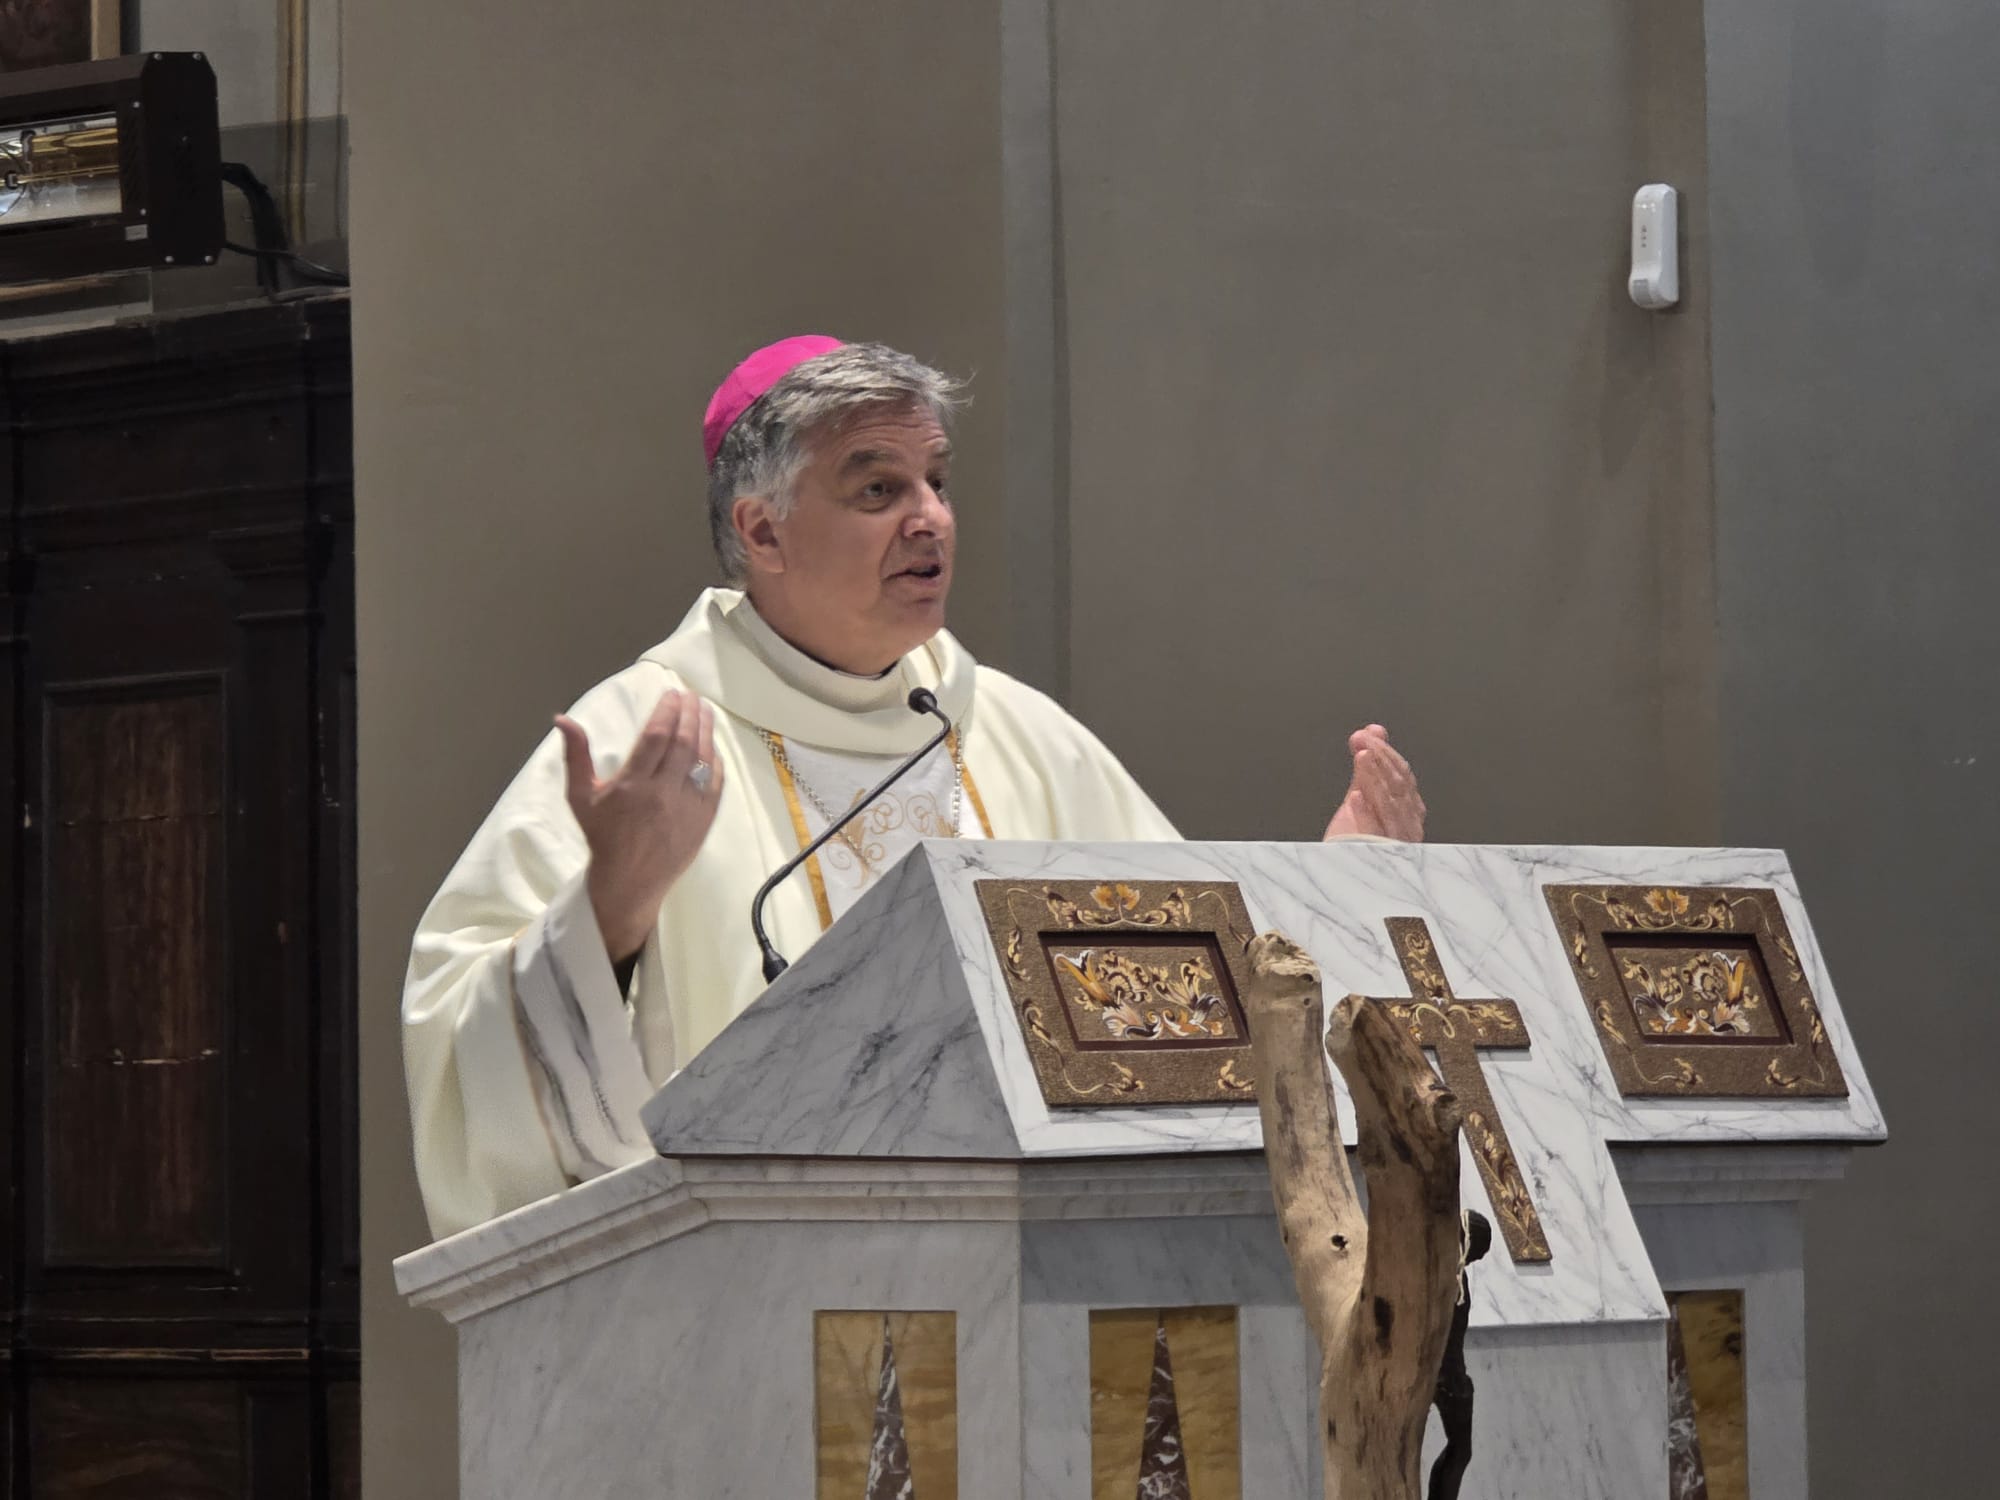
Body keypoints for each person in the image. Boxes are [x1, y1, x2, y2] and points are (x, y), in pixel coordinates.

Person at [402, 336, 1428, 1239]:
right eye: (877, 491)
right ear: (761, 533)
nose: (929, 518)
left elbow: (1186, 994)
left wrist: (1334, 901)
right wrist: (613, 908)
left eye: (935, 481)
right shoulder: (647, 735)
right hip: (753, 1285)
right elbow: (459, 1044)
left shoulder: (1015, 734)